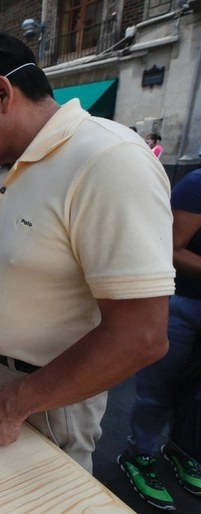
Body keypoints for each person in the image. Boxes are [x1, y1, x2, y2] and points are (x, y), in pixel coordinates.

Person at [0, 31, 175, 472]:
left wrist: (13, 405)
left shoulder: (107, 159)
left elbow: (140, 335)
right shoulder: (17, 164)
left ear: (1, 93)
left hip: (43, 397)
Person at [117, 167, 201, 510]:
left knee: (196, 396)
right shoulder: (196, 185)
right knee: (158, 390)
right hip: (183, 305)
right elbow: (172, 247)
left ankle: (183, 450)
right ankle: (140, 454)